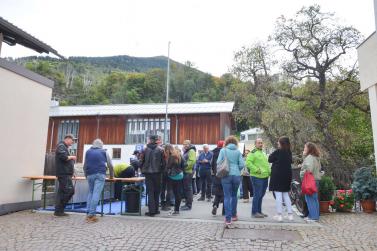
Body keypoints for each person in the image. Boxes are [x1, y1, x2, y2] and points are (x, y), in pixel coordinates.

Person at [83, 139, 114, 223]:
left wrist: (86, 175)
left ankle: (88, 212)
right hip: (100, 174)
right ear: (101, 145)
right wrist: (111, 176)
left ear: (93, 144)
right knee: (96, 193)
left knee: (91, 192)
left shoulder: (88, 152)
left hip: (90, 174)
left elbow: (85, 165)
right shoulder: (104, 152)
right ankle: (92, 215)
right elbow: (110, 165)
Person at [217, 136, 244, 227]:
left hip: (226, 175)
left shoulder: (223, 150)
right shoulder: (238, 151)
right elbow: (242, 164)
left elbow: (218, 162)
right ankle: (234, 215)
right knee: (234, 195)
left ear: (227, 142)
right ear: (235, 143)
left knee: (227, 196)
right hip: (236, 175)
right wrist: (236, 169)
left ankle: (228, 219)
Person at [268, 137, 294, 222]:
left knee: (278, 195)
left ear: (281, 143)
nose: (277, 143)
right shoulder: (289, 152)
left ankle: (279, 215)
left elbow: (269, 159)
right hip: (287, 176)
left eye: (278, 142)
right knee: (286, 194)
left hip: (277, 176)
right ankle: (290, 215)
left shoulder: (278, 152)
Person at [246, 138, 271, 218]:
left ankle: (259, 211)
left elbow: (266, 164)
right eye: (259, 143)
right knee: (257, 194)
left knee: (261, 195)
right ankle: (254, 212)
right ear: (255, 144)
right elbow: (248, 163)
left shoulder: (263, 153)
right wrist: (256, 170)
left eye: (261, 142)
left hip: (265, 176)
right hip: (257, 177)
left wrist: (269, 172)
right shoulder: (253, 153)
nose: (261, 144)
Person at [141, 135, 165, 217]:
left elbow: (141, 161)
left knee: (150, 192)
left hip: (148, 173)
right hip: (158, 173)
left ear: (150, 140)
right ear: (156, 140)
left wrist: (142, 169)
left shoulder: (145, 149)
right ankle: (156, 210)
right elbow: (164, 163)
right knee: (157, 191)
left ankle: (152, 211)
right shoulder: (161, 150)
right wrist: (162, 170)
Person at [54, 134, 77, 217]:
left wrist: (72, 172)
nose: (73, 142)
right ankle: (60, 210)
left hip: (65, 173)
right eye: (72, 140)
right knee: (70, 191)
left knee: (62, 193)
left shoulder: (63, 147)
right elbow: (64, 157)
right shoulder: (61, 146)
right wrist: (72, 157)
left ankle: (58, 211)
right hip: (63, 174)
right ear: (67, 139)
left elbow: (66, 161)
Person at [300, 142, 322, 222]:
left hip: (310, 180)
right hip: (315, 180)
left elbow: (309, 169)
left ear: (309, 149)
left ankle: (313, 217)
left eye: (305, 147)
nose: (304, 149)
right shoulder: (315, 157)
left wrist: (302, 173)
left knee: (310, 199)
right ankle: (313, 216)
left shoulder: (309, 157)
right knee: (314, 199)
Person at [164, 144, 185, 215]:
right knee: (178, 193)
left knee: (174, 192)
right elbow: (184, 165)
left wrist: (167, 171)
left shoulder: (171, 157)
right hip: (180, 175)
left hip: (173, 176)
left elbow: (168, 166)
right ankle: (177, 210)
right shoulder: (180, 155)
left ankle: (174, 209)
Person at [180, 140, 196, 211]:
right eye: (184, 144)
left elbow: (192, 161)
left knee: (188, 188)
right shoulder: (187, 151)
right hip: (186, 172)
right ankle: (187, 204)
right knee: (186, 188)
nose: (185, 145)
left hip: (188, 172)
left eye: (186, 144)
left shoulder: (191, 151)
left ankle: (189, 205)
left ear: (189, 144)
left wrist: (184, 167)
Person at [211, 140, 225, 216]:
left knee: (217, 193)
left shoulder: (213, 152)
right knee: (225, 193)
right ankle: (224, 211)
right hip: (224, 174)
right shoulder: (225, 152)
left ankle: (215, 205)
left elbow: (212, 164)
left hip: (216, 175)